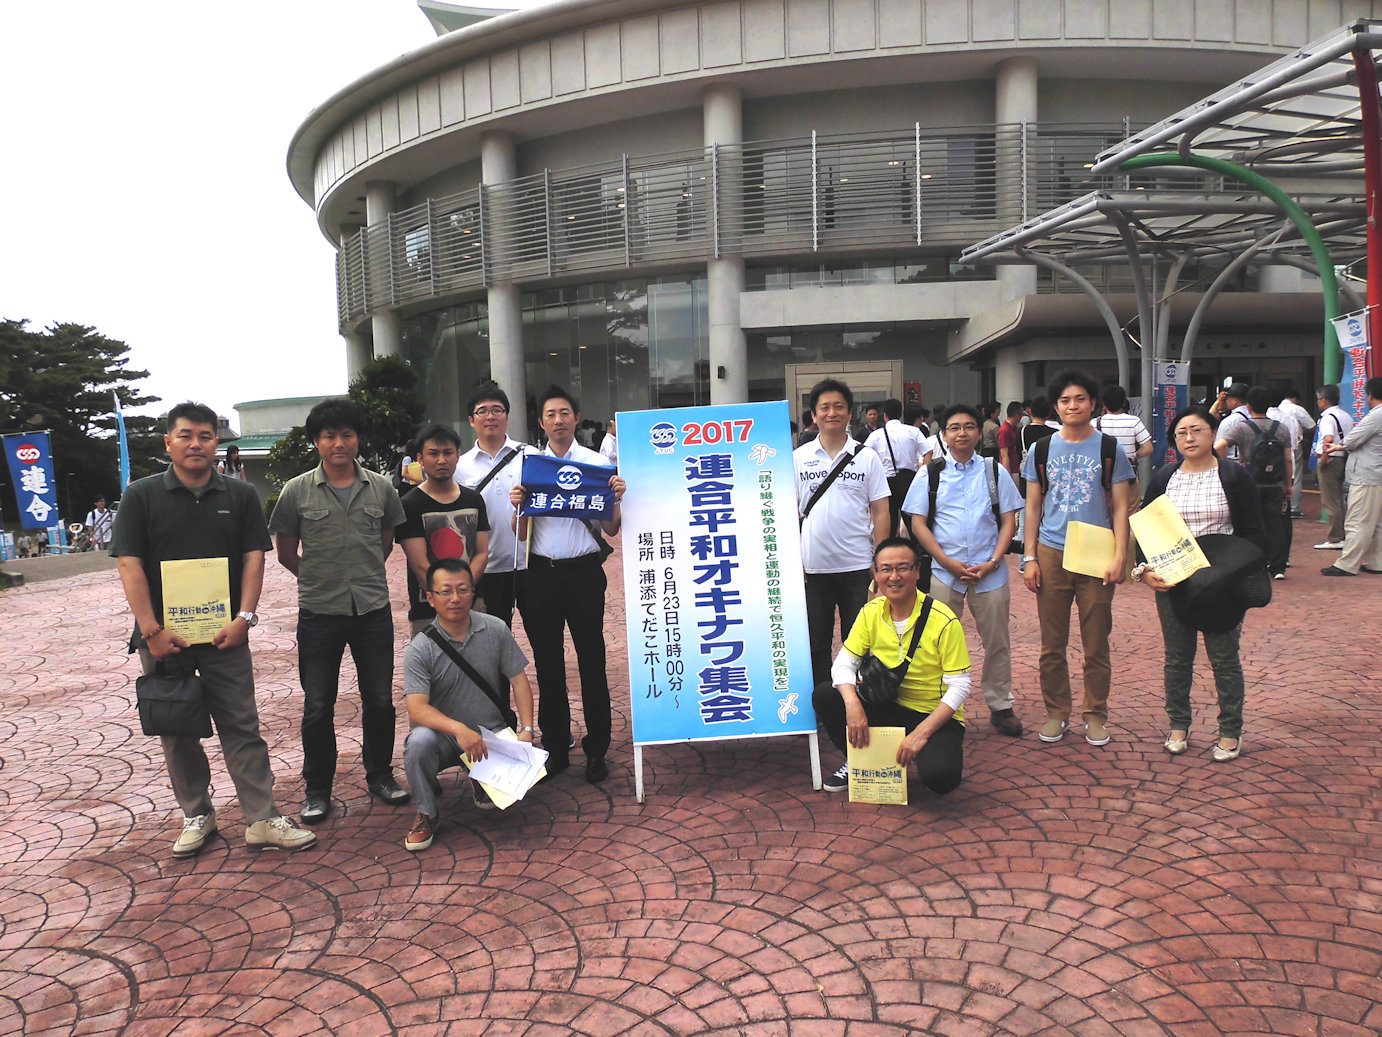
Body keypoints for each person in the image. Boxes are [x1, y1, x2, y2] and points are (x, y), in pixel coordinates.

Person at [112, 401, 316, 856]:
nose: (196, 444)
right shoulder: (142, 496)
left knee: (241, 724)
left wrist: (245, 617)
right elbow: (129, 564)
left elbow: (253, 558)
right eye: (185, 435)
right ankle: (196, 814)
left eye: (205, 436)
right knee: (177, 727)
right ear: (168, 442)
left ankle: (262, 818)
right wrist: (151, 630)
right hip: (166, 641)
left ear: (216, 443)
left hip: (226, 634)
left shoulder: (239, 496)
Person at [270, 397, 410, 824]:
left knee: (380, 701)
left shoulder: (381, 488)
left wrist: (359, 574)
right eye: (329, 435)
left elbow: (386, 540)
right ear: (316, 441)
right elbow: (285, 553)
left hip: (372, 609)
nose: (339, 443)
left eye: (347, 434)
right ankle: (317, 789)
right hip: (319, 612)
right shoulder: (296, 491)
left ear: (357, 438)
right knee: (317, 705)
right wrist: (319, 579)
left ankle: (380, 775)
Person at [509, 386, 626, 783]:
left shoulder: (597, 464)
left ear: (576, 418)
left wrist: (615, 499)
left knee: (592, 661)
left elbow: (611, 529)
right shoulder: (530, 465)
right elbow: (519, 534)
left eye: (565, 413)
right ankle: (556, 746)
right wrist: (518, 506)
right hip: (539, 574)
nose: (558, 420)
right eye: (550, 414)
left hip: (583, 573)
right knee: (548, 664)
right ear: (541, 422)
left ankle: (598, 749)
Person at [1136, 406, 1265, 762]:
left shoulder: (1235, 476)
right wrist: (1144, 571)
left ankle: (1230, 730)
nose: (1189, 438)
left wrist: (1239, 573)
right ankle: (1178, 724)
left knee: (1224, 658)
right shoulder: (1164, 477)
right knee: (1177, 658)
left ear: (1213, 434)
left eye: (1196, 430)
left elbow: (1254, 532)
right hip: (1175, 580)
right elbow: (1145, 531)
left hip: (1223, 582)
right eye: (1181, 433)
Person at [1021, 370, 1136, 746]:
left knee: (1096, 641)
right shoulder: (1040, 449)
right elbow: (1033, 506)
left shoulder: (1109, 449)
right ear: (1056, 407)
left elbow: (1121, 507)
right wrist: (1029, 557)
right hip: (1052, 552)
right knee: (1052, 644)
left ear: (1093, 403)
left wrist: (1122, 555)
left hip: (1096, 552)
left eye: (1080, 399)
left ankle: (1095, 715)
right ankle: (1057, 712)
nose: (1073, 406)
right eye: (1065, 401)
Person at [812, 537, 971, 795]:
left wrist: (921, 733)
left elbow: (960, 685)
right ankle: (862, 761)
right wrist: (853, 705)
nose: (894, 576)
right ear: (876, 573)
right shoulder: (870, 612)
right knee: (826, 694)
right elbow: (844, 662)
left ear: (917, 572)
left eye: (903, 568)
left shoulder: (944, 619)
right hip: (887, 704)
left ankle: (918, 750)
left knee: (941, 778)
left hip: (932, 714)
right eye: (886, 569)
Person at [905, 404, 1025, 736]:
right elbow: (917, 523)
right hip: (946, 573)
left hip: (991, 571)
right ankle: (935, 706)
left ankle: (1000, 705)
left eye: (969, 426)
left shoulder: (993, 470)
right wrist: (946, 562)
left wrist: (994, 560)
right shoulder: (929, 474)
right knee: (936, 643)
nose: (962, 433)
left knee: (997, 641)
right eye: (954, 427)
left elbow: (1009, 520)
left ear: (977, 432)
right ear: (943, 435)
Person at [401, 558, 536, 851]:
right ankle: (427, 812)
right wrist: (457, 729)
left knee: (519, 793)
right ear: (430, 598)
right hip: (447, 739)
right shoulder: (420, 648)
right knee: (418, 742)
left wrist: (526, 729)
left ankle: (482, 777)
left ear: (473, 593)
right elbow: (416, 708)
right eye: (445, 591)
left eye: (462, 589)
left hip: (491, 736)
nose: (455, 598)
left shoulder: (496, 629)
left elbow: (520, 681)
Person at [794, 378, 891, 687]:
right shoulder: (798, 458)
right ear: (814, 415)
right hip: (813, 569)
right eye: (825, 407)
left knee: (858, 643)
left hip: (858, 567)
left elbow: (881, 510)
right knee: (816, 644)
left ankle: (858, 703)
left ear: (850, 414)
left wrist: (881, 559)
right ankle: (824, 706)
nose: (832, 413)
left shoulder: (867, 457)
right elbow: (786, 513)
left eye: (839, 407)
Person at [397, 423, 490, 637]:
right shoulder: (410, 504)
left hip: (473, 605)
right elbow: (419, 563)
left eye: (448, 453)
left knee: (478, 663)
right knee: (432, 667)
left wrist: (463, 593)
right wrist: (445, 596)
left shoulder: (473, 499)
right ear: (420, 459)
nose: (441, 460)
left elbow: (482, 552)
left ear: (458, 456)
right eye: (433, 454)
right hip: (427, 607)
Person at [456, 385, 526, 629]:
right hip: (486, 568)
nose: (490, 416)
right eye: (482, 411)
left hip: (529, 565)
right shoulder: (460, 466)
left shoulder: (530, 456)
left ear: (507, 417)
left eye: (497, 410)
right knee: (492, 639)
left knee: (543, 637)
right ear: (471, 420)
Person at [1214, 386, 1292, 580]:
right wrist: (1287, 484)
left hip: (1249, 483)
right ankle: (1278, 568)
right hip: (1274, 483)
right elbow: (1288, 459)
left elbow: (1218, 446)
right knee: (1275, 524)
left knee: (1250, 523)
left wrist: (1228, 467)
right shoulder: (1281, 428)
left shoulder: (1243, 427)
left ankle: (1253, 563)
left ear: (1248, 406)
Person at [1321, 377, 1382, 577]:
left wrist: (1338, 445)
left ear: (1370, 394)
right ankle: (1376, 562)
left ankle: (1347, 564)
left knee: (1358, 521)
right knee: (1376, 523)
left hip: (1367, 475)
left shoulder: (1376, 415)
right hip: (1376, 474)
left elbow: (1353, 440)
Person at [863, 398, 926, 535]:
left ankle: (888, 551)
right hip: (909, 482)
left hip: (886, 483)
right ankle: (920, 553)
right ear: (900, 413)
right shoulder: (913, 431)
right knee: (912, 521)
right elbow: (928, 451)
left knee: (888, 523)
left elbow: (864, 455)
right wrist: (924, 474)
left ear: (885, 415)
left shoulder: (876, 435)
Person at [1314, 385, 1355, 550]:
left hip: (1331, 459)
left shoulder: (1327, 417)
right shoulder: (1345, 415)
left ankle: (1335, 537)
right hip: (1343, 458)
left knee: (1331, 501)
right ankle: (1343, 534)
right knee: (1340, 499)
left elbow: (1328, 439)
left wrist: (1323, 461)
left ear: (1323, 400)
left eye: (1318, 400)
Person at [1093, 385, 1153, 476]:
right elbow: (1148, 448)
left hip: (1102, 470)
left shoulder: (1094, 423)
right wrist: (1134, 455)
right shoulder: (1134, 421)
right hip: (1127, 470)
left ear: (1104, 404)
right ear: (1124, 403)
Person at [1276, 389, 1316, 516]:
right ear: (1295, 399)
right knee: (1295, 476)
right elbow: (1312, 426)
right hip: (1293, 444)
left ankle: (1278, 506)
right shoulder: (1296, 409)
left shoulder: (1274, 410)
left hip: (1274, 445)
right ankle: (1294, 508)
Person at [996, 401, 1024, 478]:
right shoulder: (1005, 431)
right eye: (1021, 414)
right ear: (1017, 415)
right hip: (1011, 470)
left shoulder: (1014, 428)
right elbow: (1004, 454)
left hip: (1015, 467)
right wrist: (1007, 475)